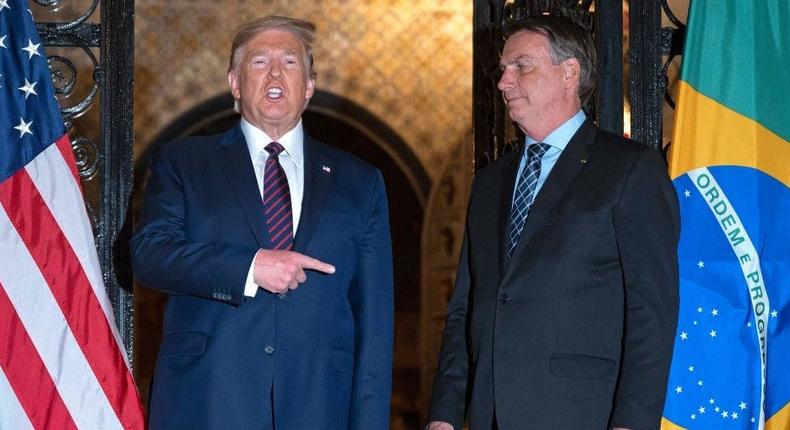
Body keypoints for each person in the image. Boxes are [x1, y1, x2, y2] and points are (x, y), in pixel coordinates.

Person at [131, 15, 393, 429]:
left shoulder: (360, 182)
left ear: (309, 86)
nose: (275, 72)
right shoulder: (183, 162)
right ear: (234, 83)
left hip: (320, 408)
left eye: (290, 62)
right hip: (209, 404)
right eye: (259, 62)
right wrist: (250, 268)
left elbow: (375, 324)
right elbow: (150, 255)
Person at [427, 15, 679, 430]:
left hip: (583, 414)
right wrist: (445, 414)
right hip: (491, 414)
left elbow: (652, 310)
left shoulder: (630, 170)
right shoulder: (490, 183)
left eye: (521, 66)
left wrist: (633, 421)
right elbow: (466, 309)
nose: (504, 82)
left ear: (570, 72)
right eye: (503, 69)